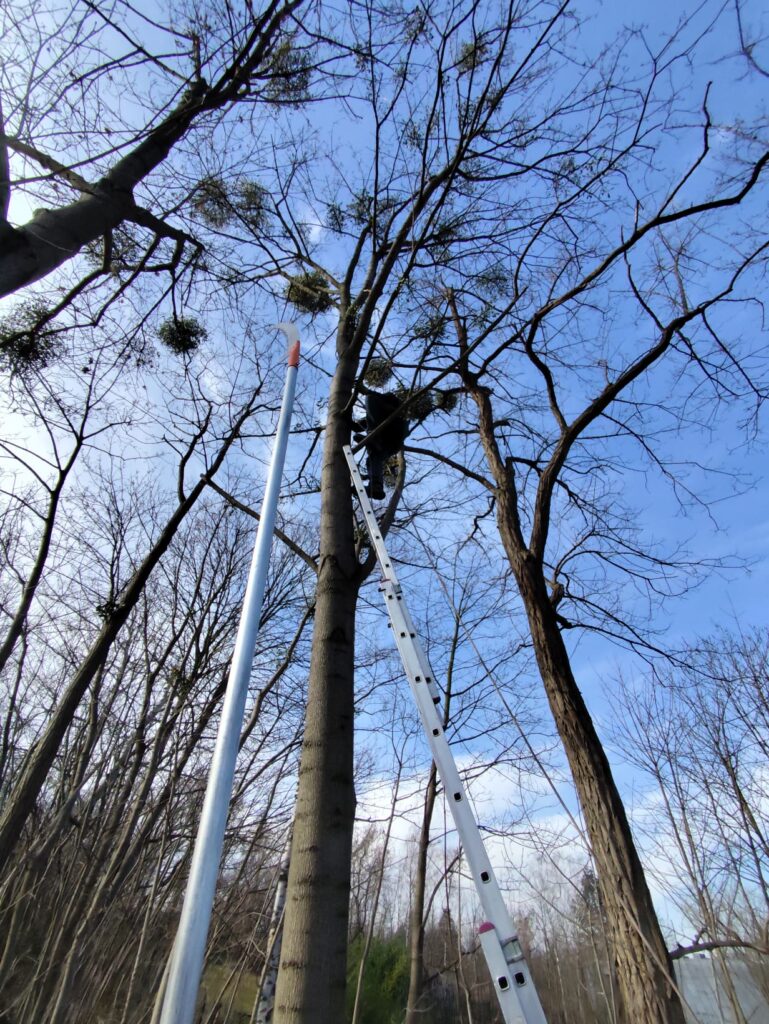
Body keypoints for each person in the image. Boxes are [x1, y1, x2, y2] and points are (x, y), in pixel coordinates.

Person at [353, 391, 409, 500]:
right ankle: (375, 487)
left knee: (370, 399)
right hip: (390, 445)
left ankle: (373, 438)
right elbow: (363, 423)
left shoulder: (390, 408)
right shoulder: (380, 414)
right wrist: (352, 424)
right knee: (374, 459)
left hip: (388, 436)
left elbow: (373, 412)